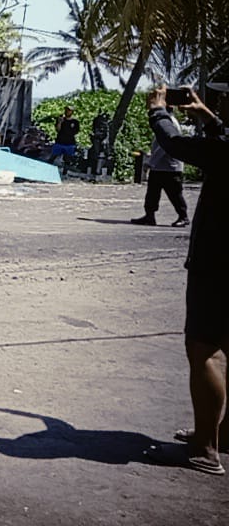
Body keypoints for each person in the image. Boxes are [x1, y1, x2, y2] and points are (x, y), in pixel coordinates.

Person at [142, 85, 229, 476]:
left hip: (219, 262)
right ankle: (223, 434)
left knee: (205, 349)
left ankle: (204, 449)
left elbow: (175, 144)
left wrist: (158, 110)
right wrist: (211, 120)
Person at [130, 133, 189, 227]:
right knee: (152, 194)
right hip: (158, 167)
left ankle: (183, 217)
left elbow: (164, 147)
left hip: (170, 167)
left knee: (175, 194)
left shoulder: (168, 126)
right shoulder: (161, 126)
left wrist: (150, 162)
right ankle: (149, 216)